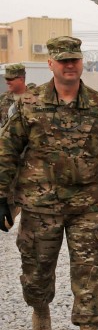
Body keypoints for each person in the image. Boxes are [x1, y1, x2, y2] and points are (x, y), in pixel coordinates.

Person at [0, 36, 98, 330]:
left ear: (81, 62)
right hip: (39, 205)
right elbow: (7, 152)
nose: (69, 66)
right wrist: (2, 196)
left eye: (74, 60)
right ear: (51, 64)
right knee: (37, 268)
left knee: (88, 271)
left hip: (85, 205)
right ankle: (40, 310)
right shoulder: (29, 103)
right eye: (63, 61)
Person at [0, 63, 30, 230]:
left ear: (21, 79)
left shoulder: (34, 98)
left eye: (11, 79)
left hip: (31, 157)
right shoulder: (4, 100)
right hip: (11, 155)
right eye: (6, 79)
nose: (7, 82)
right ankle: (13, 210)